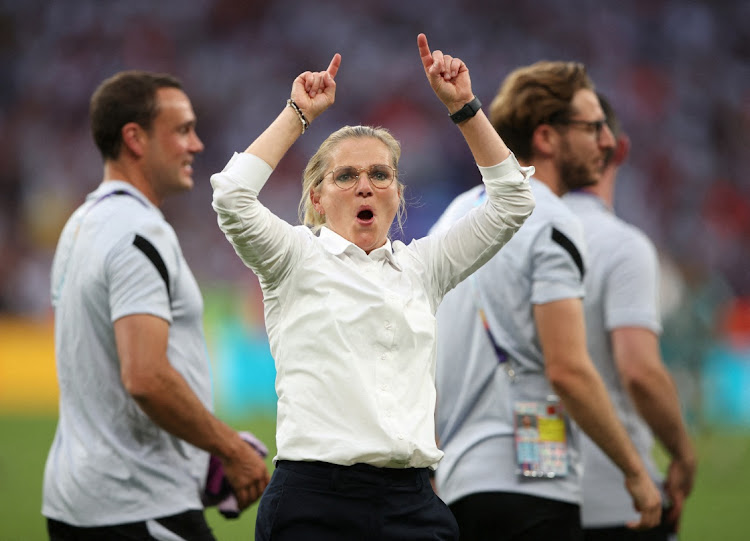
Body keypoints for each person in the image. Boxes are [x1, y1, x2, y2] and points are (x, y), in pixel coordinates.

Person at [210, 33, 536, 541]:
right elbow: (231, 196)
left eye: (380, 174)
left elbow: (514, 201)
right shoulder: (293, 257)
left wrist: (465, 108)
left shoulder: (424, 266)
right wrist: (297, 113)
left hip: (412, 503)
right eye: (347, 176)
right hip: (314, 501)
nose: (365, 184)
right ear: (316, 197)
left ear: (397, 193)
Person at [431, 61, 663, 540]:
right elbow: (568, 371)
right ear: (546, 137)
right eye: (593, 126)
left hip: (452, 483)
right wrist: (636, 472)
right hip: (531, 489)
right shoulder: (552, 220)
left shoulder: (455, 213)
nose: (607, 141)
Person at [42, 70, 270, 541]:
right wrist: (231, 449)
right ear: (135, 139)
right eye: (183, 129)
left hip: (79, 500)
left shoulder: (80, 224)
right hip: (136, 501)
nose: (197, 144)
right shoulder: (139, 232)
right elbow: (145, 376)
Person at [564, 93, 697, 540]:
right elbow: (639, 371)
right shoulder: (622, 245)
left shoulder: (496, 234)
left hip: (520, 492)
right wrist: (682, 452)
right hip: (615, 495)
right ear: (619, 148)